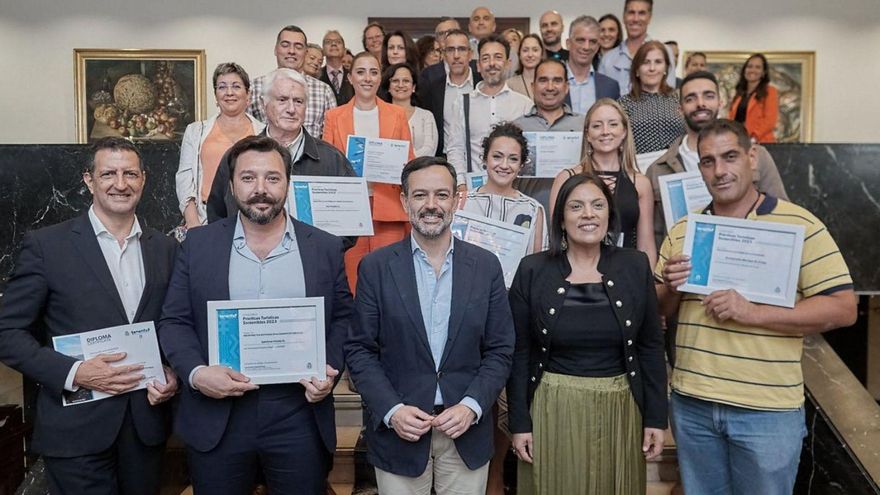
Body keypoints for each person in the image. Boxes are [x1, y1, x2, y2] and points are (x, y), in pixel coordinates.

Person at [655, 119, 857, 495]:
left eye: (730, 156)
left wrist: (754, 313)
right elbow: (660, 309)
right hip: (693, 403)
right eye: (709, 161)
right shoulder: (686, 228)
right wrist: (671, 286)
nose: (720, 170)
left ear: (752, 156)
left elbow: (844, 308)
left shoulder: (799, 224)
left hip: (766, 411)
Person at [159, 135, 353, 495]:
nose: (260, 189)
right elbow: (175, 321)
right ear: (231, 186)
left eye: (272, 178)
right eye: (248, 178)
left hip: (298, 413)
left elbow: (343, 318)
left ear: (287, 184)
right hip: (219, 415)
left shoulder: (325, 247)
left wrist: (329, 367)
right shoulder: (198, 245)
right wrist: (197, 374)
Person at [0, 137, 179, 495]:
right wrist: (74, 372)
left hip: (145, 425)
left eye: (130, 173)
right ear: (89, 180)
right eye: (108, 173)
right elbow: (7, 331)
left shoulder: (166, 248)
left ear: (143, 179)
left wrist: (172, 371)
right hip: (75, 429)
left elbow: (173, 326)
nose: (120, 183)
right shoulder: (47, 245)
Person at [345, 156, 515, 495]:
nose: (431, 205)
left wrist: (472, 406)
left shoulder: (485, 266)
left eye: (441, 194)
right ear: (405, 201)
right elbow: (360, 350)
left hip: (466, 431)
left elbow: (500, 349)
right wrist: (392, 410)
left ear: (456, 200)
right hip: (399, 432)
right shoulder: (375, 268)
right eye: (420, 195)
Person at [508, 172, 667, 495]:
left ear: (610, 214)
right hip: (553, 406)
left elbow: (650, 346)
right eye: (576, 206)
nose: (588, 214)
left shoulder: (635, 266)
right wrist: (520, 423)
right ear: (561, 219)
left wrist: (656, 418)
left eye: (597, 205)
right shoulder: (533, 269)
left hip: (621, 407)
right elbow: (519, 352)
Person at [646, 71, 788, 247]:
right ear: (680, 109)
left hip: (748, 257)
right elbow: (655, 235)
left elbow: (783, 216)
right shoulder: (657, 169)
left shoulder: (757, 155)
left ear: (720, 103)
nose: (701, 104)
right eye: (691, 98)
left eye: (708, 96)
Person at [207, 69, 357, 228]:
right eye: (282, 100)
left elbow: (352, 219)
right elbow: (217, 214)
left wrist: (321, 251)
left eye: (298, 101)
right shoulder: (238, 156)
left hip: (311, 253)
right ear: (264, 103)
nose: (291, 109)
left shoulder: (332, 159)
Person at [323, 52, 416, 290]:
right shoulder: (334, 116)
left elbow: (409, 161)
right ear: (350, 78)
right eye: (360, 72)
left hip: (388, 208)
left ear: (379, 78)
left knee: (390, 280)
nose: (367, 78)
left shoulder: (397, 114)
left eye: (374, 72)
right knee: (352, 280)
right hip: (349, 211)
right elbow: (327, 165)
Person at [550, 98, 657, 266]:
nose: (605, 131)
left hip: (626, 272)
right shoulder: (566, 178)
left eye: (613, 124)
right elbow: (555, 237)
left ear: (624, 132)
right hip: (576, 272)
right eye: (597, 125)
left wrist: (646, 287)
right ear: (587, 134)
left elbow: (646, 246)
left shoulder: (640, 183)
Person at [177, 62, 264, 228]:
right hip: (205, 219)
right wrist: (193, 223)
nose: (229, 93)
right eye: (222, 87)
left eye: (236, 86)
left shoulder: (263, 132)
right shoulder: (196, 131)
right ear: (216, 96)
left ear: (248, 95)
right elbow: (184, 179)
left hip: (254, 218)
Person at [446, 34, 532, 182]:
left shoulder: (524, 104)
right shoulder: (462, 103)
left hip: (514, 188)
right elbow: (455, 149)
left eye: (498, 57)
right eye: (485, 58)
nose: (492, 63)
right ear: (478, 65)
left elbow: (528, 152)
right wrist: (460, 183)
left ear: (508, 63)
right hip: (474, 190)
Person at [463, 123, 548, 253]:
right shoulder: (461, 203)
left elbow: (539, 261)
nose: (504, 165)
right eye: (497, 156)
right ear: (485, 159)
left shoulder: (533, 209)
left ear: (521, 165)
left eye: (513, 159)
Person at [248, 25, 337, 138]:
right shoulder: (255, 87)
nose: (291, 51)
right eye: (285, 45)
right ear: (276, 49)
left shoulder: (324, 91)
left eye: (298, 47)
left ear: (306, 52)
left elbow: (331, 138)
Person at [417, 28, 483, 157]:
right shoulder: (433, 88)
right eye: (451, 50)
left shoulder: (482, 84)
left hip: (478, 160)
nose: (456, 55)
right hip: (443, 159)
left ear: (470, 54)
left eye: (462, 49)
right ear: (443, 55)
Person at [618, 40, 686, 154]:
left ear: (666, 68)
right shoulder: (623, 104)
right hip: (640, 168)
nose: (652, 68)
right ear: (637, 70)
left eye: (658, 62)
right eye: (646, 62)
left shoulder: (680, 98)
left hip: (677, 167)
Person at [599, 0, 677, 94]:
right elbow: (602, 100)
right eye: (631, 12)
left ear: (649, 17)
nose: (635, 19)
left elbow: (668, 95)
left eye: (641, 13)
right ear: (624, 16)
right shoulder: (608, 59)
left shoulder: (665, 53)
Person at [564, 16, 621, 115]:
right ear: (568, 43)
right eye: (580, 40)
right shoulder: (552, 82)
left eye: (592, 42)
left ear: (598, 46)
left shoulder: (610, 86)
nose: (586, 47)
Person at [382, 63, 438, 158]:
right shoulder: (380, 115)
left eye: (406, 81)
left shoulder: (426, 116)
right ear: (388, 87)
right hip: (385, 170)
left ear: (413, 87)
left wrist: (405, 161)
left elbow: (430, 148)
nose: (400, 85)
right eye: (395, 81)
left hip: (419, 170)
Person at [515, 59, 585, 134]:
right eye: (543, 80)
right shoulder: (517, 127)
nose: (550, 88)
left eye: (557, 81)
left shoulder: (583, 125)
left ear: (566, 87)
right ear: (533, 87)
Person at [728, 53, 779, 143]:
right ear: (744, 70)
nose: (752, 70)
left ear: (763, 72)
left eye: (757, 67)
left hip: (761, 142)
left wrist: (753, 138)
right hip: (739, 142)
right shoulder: (739, 93)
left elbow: (770, 120)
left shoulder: (770, 91)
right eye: (750, 66)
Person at [320, 30, 355, 105]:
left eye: (338, 42)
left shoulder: (354, 76)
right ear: (322, 51)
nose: (333, 44)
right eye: (328, 42)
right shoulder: (317, 76)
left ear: (344, 51)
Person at [506, 33, 544, 100]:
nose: (530, 55)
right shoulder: (509, 84)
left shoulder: (549, 82)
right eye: (525, 50)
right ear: (519, 55)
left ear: (541, 54)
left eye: (535, 50)